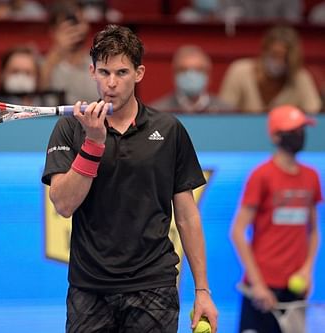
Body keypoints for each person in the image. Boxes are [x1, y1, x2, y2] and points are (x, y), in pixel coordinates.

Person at [41, 24, 218, 333]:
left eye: (121, 73)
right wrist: (93, 144)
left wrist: (202, 291)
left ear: (139, 73)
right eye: (104, 72)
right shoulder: (70, 130)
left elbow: (188, 217)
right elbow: (64, 204)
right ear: (92, 72)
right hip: (89, 289)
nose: (111, 84)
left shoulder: (170, 130)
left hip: (154, 287)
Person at [230, 105, 321, 333]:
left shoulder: (311, 176)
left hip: (295, 289)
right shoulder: (261, 176)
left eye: (302, 129)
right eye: (293, 130)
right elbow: (238, 231)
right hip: (261, 291)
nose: (299, 135)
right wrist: (259, 284)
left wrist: (307, 270)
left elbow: (313, 230)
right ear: (275, 136)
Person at [219, 25, 322, 114]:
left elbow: (314, 113)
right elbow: (223, 113)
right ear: (264, 50)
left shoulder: (299, 77)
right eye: (275, 55)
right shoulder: (240, 71)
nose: (279, 62)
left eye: (285, 58)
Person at [39, 1, 99, 105]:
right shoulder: (42, 65)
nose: (72, 29)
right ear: (53, 31)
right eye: (66, 24)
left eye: (77, 22)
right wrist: (59, 51)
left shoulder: (99, 64)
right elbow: (37, 98)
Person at [151, 45, 233, 113]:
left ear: (209, 76)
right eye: (183, 70)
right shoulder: (158, 112)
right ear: (174, 76)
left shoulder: (227, 112)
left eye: (198, 70)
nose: (191, 75)